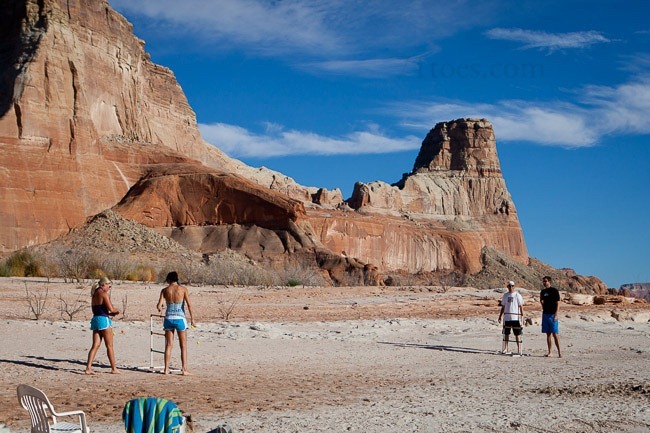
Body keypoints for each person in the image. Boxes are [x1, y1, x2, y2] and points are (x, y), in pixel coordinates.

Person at [157, 271, 195, 375]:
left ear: (168, 280)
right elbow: (189, 305)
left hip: (168, 318)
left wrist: (160, 309)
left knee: (169, 345)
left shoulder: (164, 290)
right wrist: (192, 319)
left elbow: (159, 306)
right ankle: (184, 369)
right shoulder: (183, 289)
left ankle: (166, 369)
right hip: (180, 318)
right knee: (183, 345)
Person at [85, 276, 120, 374]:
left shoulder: (94, 293)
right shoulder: (104, 294)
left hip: (96, 319)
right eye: (109, 286)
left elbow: (96, 310)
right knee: (109, 345)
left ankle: (88, 368)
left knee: (95, 345)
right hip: (104, 321)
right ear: (104, 284)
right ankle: (114, 368)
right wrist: (116, 311)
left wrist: (108, 314)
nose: (110, 288)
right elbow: (111, 309)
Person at [498, 280, 524, 355]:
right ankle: (505, 348)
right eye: (509, 286)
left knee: (517, 334)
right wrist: (500, 316)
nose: (511, 287)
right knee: (506, 333)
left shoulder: (517, 295)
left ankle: (519, 349)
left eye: (512, 286)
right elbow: (503, 306)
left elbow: (521, 306)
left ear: (514, 286)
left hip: (515, 317)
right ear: (507, 286)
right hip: (507, 317)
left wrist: (522, 316)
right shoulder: (505, 295)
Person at [540, 276, 562, 358]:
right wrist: (543, 305)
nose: (544, 283)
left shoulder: (554, 291)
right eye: (543, 281)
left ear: (549, 282)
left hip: (553, 314)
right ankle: (550, 352)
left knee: (555, 333)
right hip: (545, 314)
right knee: (548, 334)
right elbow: (541, 301)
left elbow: (558, 303)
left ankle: (559, 352)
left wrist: (556, 314)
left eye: (546, 281)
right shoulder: (543, 292)